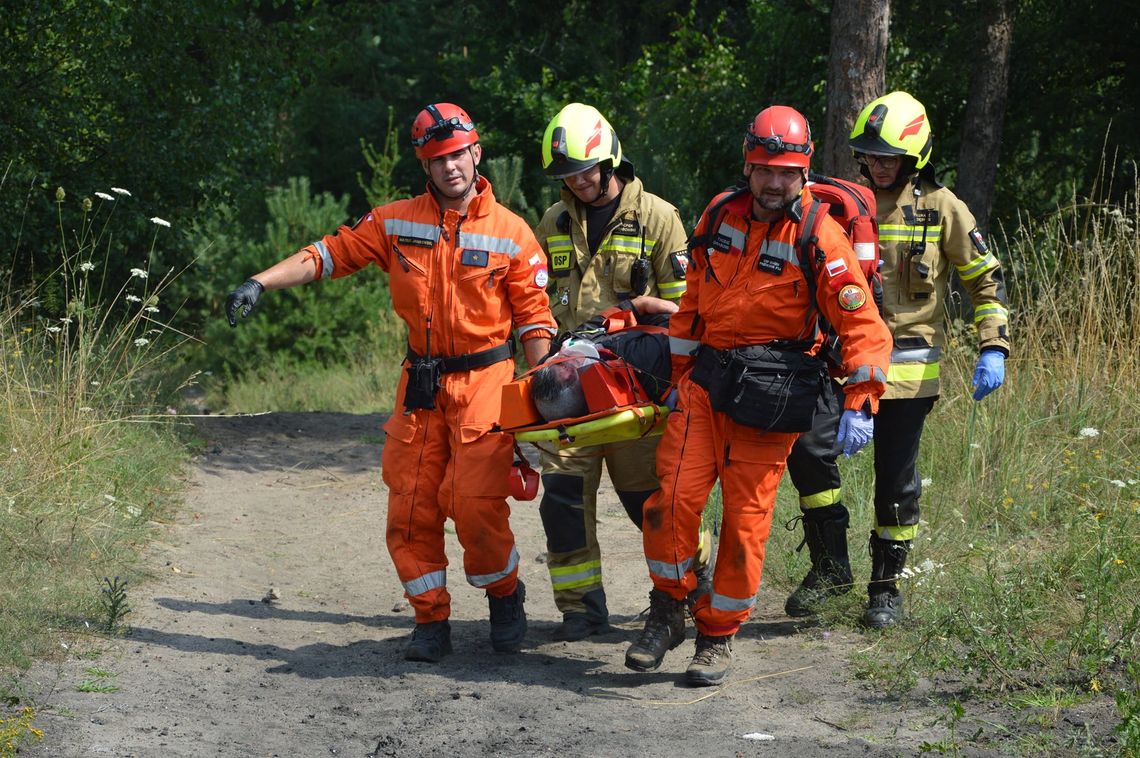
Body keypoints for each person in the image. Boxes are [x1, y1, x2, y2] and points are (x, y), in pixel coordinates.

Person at [224, 103, 556, 663]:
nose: (450, 167)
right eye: (437, 159)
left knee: (473, 503)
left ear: (476, 153)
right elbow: (328, 254)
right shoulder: (395, 222)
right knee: (410, 505)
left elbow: (535, 320)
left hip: (486, 381)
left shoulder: (512, 234)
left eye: (458, 155)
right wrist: (261, 282)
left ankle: (504, 594)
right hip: (420, 385)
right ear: (424, 166)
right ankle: (430, 619)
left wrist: (541, 396)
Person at [624, 105, 892, 686]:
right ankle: (668, 609)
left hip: (771, 396)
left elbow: (863, 324)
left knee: (745, 523)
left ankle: (717, 636)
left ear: (804, 171)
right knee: (669, 501)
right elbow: (692, 302)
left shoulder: (820, 235)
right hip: (704, 386)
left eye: (786, 172)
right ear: (748, 166)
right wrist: (677, 381)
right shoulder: (720, 215)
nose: (773, 182)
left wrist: (862, 396)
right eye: (764, 169)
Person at [783, 90, 1010, 628]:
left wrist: (993, 345)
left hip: (908, 373)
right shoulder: (840, 202)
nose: (879, 165)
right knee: (807, 452)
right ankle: (830, 568)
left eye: (890, 157)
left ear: (916, 158)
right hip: (837, 362)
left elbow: (985, 281)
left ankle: (885, 590)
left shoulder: (944, 208)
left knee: (895, 479)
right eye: (871, 156)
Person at [532, 103, 695, 642]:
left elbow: (687, 314)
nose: (577, 182)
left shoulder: (658, 218)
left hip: (634, 388)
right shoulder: (553, 223)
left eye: (585, 171)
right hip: (566, 389)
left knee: (649, 503)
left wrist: (641, 318)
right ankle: (580, 609)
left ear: (610, 161)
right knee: (561, 501)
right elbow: (534, 307)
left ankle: (694, 584)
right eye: (567, 175)